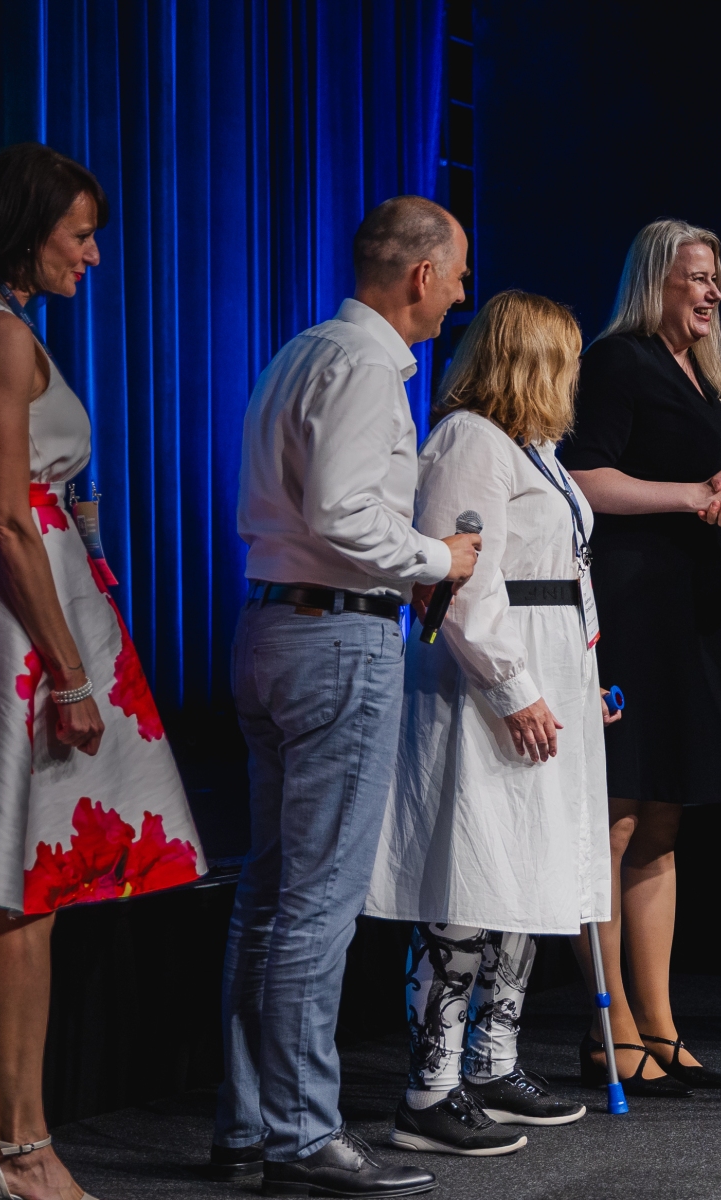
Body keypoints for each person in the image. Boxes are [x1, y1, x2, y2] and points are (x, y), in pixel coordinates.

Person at [214, 196, 479, 1198]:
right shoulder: (368, 366)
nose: (460, 292)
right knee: (315, 902)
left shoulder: (302, 351)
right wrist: (438, 557)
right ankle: (301, 1135)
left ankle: (250, 1123)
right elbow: (340, 511)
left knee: (271, 894)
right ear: (420, 276)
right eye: (456, 274)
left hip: (273, 627)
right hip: (335, 638)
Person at [0, 141, 206, 1200]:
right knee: (13, 885)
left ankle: (21, 1147)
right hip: (18, 618)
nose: (94, 256)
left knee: (12, 887)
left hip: (19, 600)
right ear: (28, 231)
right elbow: (9, 519)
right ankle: (19, 1150)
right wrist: (67, 673)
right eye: (81, 235)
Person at [364, 290, 613, 1155]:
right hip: (484, 684)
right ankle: (430, 1086)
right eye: (566, 358)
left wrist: (579, 680)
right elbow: (458, 589)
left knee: (529, 870)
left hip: (551, 671)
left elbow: (565, 570)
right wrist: (514, 689)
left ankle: (494, 1060)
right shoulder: (470, 441)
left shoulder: (537, 449)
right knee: (471, 874)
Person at [560, 219, 721, 1096]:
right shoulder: (617, 361)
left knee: (665, 821)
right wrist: (690, 496)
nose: (713, 291)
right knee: (616, 818)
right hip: (630, 606)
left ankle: (663, 1027)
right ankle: (608, 1030)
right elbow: (583, 476)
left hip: (691, 615)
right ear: (658, 281)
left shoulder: (708, 376)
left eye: (716, 277)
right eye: (697, 277)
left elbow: (713, 484)